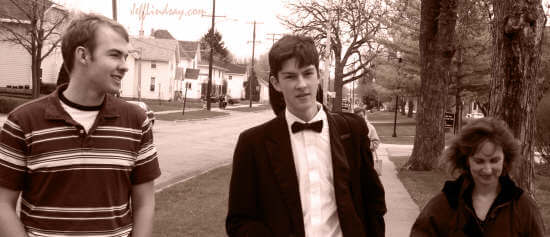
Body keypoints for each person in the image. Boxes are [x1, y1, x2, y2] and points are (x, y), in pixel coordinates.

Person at [0, 13, 160, 237]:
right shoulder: (23, 122)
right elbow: (3, 204)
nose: (124, 66)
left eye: (125, 57)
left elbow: (144, 203)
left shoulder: (136, 121)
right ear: (83, 55)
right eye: (115, 55)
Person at [226, 35, 386, 237]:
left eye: (307, 73)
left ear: (318, 76)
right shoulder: (252, 144)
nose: (301, 84)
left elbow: (374, 203)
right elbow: (239, 221)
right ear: (276, 83)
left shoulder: (353, 131)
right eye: (291, 76)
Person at [410, 117, 545, 236]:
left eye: (494, 160)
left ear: (505, 159)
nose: (487, 170)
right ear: (466, 161)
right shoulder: (445, 204)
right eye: (479, 161)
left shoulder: (523, 207)